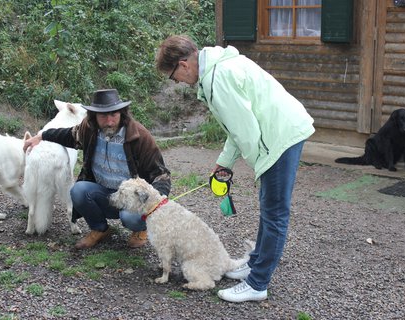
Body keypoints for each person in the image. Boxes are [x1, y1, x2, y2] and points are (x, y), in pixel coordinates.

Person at [155, 35, 315, 303]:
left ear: (183, 65)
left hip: (279, 136)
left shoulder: (219, 79)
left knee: (275, 213)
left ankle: (257, 283)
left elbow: (248, 133)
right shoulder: (218, 66)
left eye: (173, 78)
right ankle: (255, 264)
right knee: (269, 209)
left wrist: (259, 167)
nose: (178, 83)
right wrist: (225, 162)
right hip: (280, 130)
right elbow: (237, 126)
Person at [23, 89, 171, 250]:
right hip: (103, 193)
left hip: (131, 198)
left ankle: (140, 230)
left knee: (130, 217)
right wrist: (41, 136)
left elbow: (161, 174)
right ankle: (100, 229)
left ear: (122, 113)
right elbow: (67, 135)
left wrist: (156, 202)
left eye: (113, 114)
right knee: (78, 191)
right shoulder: (89, 129)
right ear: (94, 117)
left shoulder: (139, 136)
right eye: (103, 116)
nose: (109, 121)